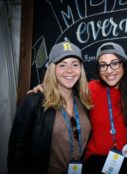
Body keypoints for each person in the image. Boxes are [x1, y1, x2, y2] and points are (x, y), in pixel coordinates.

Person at [27, 42, 127, 174]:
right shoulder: (90, 89)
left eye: (115, 63)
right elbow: (65, 86)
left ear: (123, 64)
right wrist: (44, 87)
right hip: (95, 164)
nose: (109, 70)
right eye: (103, 65)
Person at [8, 41, 92, 174]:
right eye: (62, 65)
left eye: (75, 65)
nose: (69, 70)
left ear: (81, 69)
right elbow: (17, 151)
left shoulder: (84, 101)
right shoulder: (34, 101)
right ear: (53, 69)